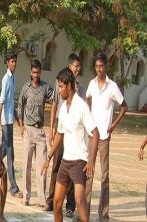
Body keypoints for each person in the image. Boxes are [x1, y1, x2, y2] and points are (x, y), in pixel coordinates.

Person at [41, 68, 100, 222]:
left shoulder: (81, 106)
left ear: (69, 86)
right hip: (65, 162)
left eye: (61, 86)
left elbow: (96, 134)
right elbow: (60, 134)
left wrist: (91, 160)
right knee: (57, 202)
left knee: (79, 200)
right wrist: (48, 158)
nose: (59, 90)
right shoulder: (62, 109)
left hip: (79, 162)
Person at [85, 52, 128, 221]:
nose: (99, 69)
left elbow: (124, 106)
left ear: (105, 67)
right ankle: (85, 210)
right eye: (96, 66)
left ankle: (103, 213)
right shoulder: (92, 84)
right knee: (88, 172)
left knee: (104, 175)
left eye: (101, 66)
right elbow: (87, 97)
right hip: (91, 135)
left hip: (104, 136)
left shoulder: (112, 86)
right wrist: (89, 117)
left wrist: (113, 125)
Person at [47, 53, 83, 215]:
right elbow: (54, 105)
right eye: (76, 66)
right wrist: (51, 128)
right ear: (70, 67)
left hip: (73, 134)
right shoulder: (59, 83)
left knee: (73, 171)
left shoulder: (79, 87)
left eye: (79, 67)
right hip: (61, 129)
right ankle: (52, 199)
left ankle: (70, 206)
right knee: (57, 165)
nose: (78, 69)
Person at [16, 59, 52, 208]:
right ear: (31, 72)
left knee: (41, 166)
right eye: (34, 72)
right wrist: (21, 126)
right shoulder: (26, 88)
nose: (36, 74)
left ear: (40, 72)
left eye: (38, 72)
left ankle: (42, 199)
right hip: (28, 130)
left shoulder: (45, 87)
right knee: (27, 165)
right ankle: (26, 197)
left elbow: (55, 99)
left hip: (40, 131)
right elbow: (19, 105)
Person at [0, 53, 21, 197]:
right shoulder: (5, 79)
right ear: (7, 63)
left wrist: (17, 119)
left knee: (3, 151)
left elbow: (11, 102)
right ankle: (14, 188)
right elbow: (1, 101)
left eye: (15, 62)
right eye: (11, 62)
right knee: (10, 154)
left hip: (9, 120)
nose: (14, 64)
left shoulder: (13, 78)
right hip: (5, 121)